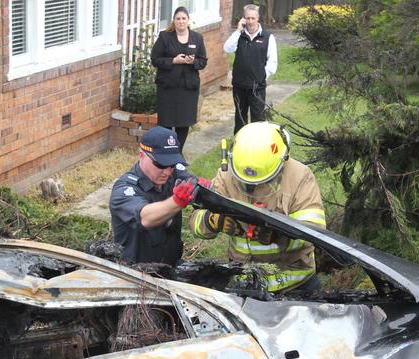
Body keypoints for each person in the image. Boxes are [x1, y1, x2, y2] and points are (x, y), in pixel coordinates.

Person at [190, 122, 326, 292]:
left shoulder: (300, 177)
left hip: (294, 284)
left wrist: (278, 236)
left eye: (262, 182)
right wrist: (212, 221)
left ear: (282, 162)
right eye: (245, 183)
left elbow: (315, 233)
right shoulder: (227, 175)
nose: (252, 189)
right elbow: (195, 223)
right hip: (245, 282)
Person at [110, 126, 202, 266]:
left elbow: (198, 187)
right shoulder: (124, 190)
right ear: (141, 156)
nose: (167, 172)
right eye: (160, 164)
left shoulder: (174, 173)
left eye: (172, 164)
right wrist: (177, 201)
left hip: (170, 267)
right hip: (135, 274)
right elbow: (145, 218)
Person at [151, 6, 208, 153]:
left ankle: (178, 153)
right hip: (168, 87)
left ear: (188, 20)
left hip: (188, 88)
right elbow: (155, 59)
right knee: (166, 123)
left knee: (184, 123)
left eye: (184, 18)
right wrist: (173, 61)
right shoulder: (165, 37)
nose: (181, 21)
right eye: (178, 19)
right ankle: (166, 153)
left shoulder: (197, 38)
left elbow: (203, 61)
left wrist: (193, 62)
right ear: (174, 21)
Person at [223, 4, 278, 135]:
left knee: (258, 120)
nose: (250, 21)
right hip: (239, 85)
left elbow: (273, 62)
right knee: (240, 118)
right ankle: (239, 146)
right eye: (247, 18)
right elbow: (227, 48)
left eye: (253, 18)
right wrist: (237, 31)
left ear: (258, 18)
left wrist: (261, 75)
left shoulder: (268, 37)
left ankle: (258, 148)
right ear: (243, 19)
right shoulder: (239, 36)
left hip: (257, 87)